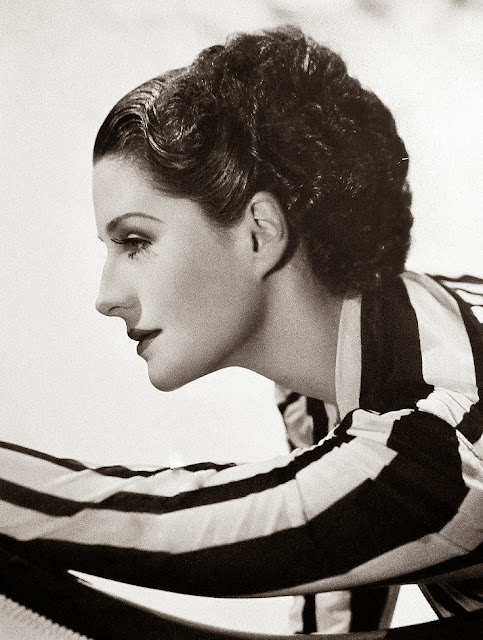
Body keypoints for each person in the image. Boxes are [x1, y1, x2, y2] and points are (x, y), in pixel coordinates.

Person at [0, 26, 482, 635]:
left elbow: (149, 526)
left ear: (260, 232)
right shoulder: (350, 367)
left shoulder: (440, 437)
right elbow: (337, 614)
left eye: (135, 241)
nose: (106, 298)